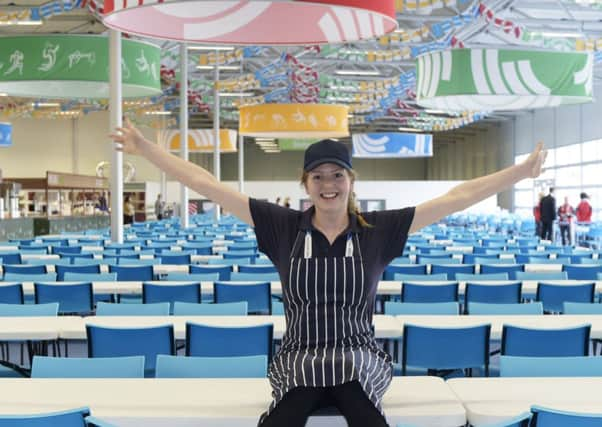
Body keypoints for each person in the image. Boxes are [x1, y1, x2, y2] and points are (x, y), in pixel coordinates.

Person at [110, 119, 546, 427]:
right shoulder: (281, 227)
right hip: (298, 355)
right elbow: (208, 185)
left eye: (337, 174)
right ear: (306, 184)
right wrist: (147, 149)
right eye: (317, 176)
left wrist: (521, 171)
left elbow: (457, 196)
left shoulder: (378, 231)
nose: (328, 183)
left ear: (351, 181)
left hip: (359, 355)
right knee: (301, 398)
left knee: (352, 393)